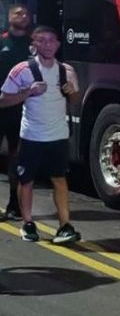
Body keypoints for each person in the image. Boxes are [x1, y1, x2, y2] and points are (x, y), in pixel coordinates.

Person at [0, 25, 81, 244]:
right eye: (41, 41)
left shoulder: (67, 71)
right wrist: (29, 92)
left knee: (60, 179)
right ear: (33, 45)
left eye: (51, 40)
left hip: (58, 136)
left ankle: (65, 226)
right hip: (32, 136)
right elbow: (3, 99)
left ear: (58, 45)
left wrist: (72, 93)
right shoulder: (21, 70)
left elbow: (74, 102)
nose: (47, 45)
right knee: (27, 180)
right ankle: (27, 224)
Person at [0, 4, 31, 221]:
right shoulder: (1, 41)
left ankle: (14, 204)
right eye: (18, 13)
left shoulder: (34, 45)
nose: (22, 16)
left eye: (25, 14)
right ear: (9, 17)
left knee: (16, 159)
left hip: (21, 111)